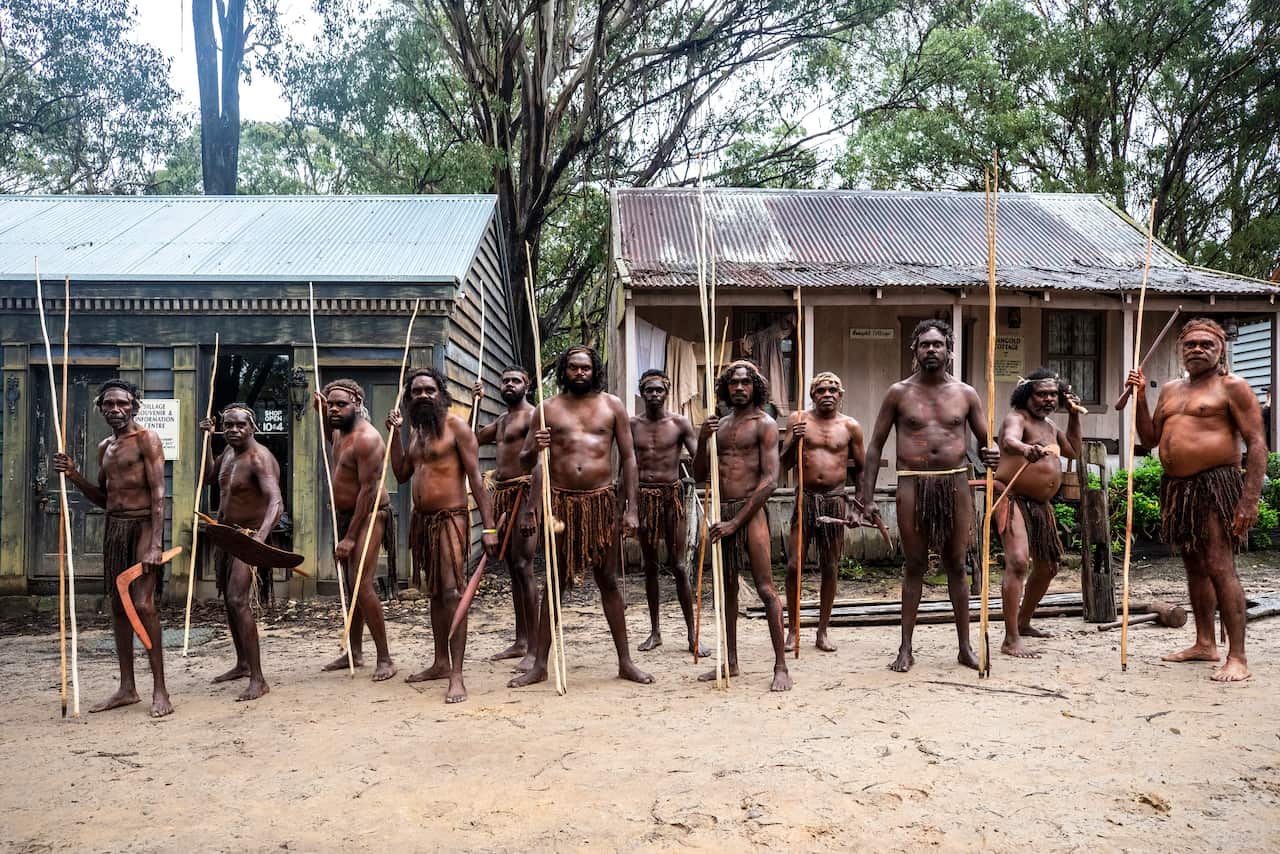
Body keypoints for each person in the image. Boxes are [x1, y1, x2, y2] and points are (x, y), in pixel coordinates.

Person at [1127, 317, 1264, 682]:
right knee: (1194, 566)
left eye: (1207, 344)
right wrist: (1140, 398)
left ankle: (1238, 657)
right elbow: (1150, 437)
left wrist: (1249, 500)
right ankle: (1205, 643)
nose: (1198, 350)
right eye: (1191, 345)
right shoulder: (1171, 389)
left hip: (1216, 484)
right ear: (1180, 350)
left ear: (1221, 350)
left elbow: (1257, 444)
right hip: (1178, 488)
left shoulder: (1232, 387)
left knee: (1220, 565)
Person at [858, 320, 998, 673]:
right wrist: (867, 497)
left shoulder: (966, 394)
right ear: (915, 351)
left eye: (938, 345)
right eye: (925, 345)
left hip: (954, 483)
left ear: (949, 351)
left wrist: (991, 452)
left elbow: (986, 441)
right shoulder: (898, 393)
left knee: (956, 564)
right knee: (915, 564)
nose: (931, 350)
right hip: (912, 482)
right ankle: (905, 648)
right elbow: (873, 448)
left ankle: (965, 647)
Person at [511, 346, 653, 688]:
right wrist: (537, 446)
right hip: (560, 503)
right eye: (573, 367)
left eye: (585, 368)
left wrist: (631, 507)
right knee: (555, 584)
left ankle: (625, 661)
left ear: (594, 370)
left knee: (607, 580)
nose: (579, 373)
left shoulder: (612, 405)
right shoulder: (546, 409)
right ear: (564, 370)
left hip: (601, 502)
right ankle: (540, 665)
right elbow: (525, 461)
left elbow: (630, 459)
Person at [53, 379, 172, 716]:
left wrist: (154, 543)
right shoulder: (105, 447)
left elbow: (159, 494)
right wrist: (75, 476)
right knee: (119, 608)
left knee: (143, 605)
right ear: (101, 408)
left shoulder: (147, 439)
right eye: (109, 404)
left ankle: (160, 690)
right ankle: (127, 688)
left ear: (134, 405)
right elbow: (105, 500)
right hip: (115, 529)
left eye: (122, 403)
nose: (116, 409)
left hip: (143, 527)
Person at [389, 369, 497, 703]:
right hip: (423, 523)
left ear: (442, 394)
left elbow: (477, 481)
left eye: (429, 390)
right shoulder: (417, 431)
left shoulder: (457, 427)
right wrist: (393, 434)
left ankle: (457, 674)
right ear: (409, 397)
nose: (422, 395)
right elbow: (402, 473)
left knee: (452, 592)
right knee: (436, 592)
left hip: (451, 520)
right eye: (416, 391)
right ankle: (439, 662)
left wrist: (489, 527)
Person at [693, 360, 791, 691]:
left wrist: (737, 521)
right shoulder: (718, 426)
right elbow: (699, 475)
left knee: (765, 589)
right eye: (733, 383)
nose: (739, 388)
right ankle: (731, 662)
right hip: (723, 511)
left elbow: (770, 481)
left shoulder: (765, 424)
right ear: (725, 388)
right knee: (727, 591)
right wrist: (702, 440)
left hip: (750, 514)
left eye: (745, 383)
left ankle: (781, 665)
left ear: (755, 387)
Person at [993, 370, 1081, 658]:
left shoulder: (1052, 426)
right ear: (1027, 395)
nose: (1048, 399)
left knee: (1048, 567)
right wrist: (1026, 448)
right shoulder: (1017, 417)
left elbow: (1074, 452)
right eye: (1041, 394)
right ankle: (1010, 638)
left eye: (1053, 394)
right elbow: (1008, 441)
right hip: (1013, 499)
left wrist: (1074, 415)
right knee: (1018, 562)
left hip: (1042, 507)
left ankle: (1024, 621)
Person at [199, 403, 284, 700]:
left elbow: (276, 502)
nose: (234, 430)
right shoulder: (228, 454)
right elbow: (210, 476)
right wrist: (208, 439)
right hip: (228, 536)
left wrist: (258, 540)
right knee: (229, 602)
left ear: (253, 427)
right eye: (228, 425)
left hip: (248, 538)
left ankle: (259, 679)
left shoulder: (259, 459)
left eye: (240, 425)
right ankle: (243, 663)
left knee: (238, 600)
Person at [780, 371, 864, 653]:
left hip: (834, 501)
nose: (827, 395)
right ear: (812, 395)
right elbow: (783, 464)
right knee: (794, 566)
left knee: (830, 566)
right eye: (820, 390)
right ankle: (793, 628)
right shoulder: (798, 420)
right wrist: (794, 440)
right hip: (805, 499)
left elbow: (861, 471)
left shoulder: (851, 426)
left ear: (841, 395)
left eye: (832, 390)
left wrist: (859, 506)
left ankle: (823, 630)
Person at [318, 379, 396, 681]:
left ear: (358, 404)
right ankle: (355, 652)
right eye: (330, 404)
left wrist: (350, 536)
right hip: (347, 514)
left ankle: (385, 658)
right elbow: (331, 440)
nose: (334, 409)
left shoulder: (368, 439)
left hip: (371, 513)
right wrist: (319, 411)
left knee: (361, 583)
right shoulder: (339, 431)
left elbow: (368, 491)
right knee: (351, 587)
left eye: (341, 404)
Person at [629, 369, 703, 654]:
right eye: (649, 390)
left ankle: (691, 634)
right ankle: (655, 631)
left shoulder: (680, 423)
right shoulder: (632, 425)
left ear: (667, 391)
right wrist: (626, 507)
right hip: (644, 498)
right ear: (642, 392)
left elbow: (699, 460)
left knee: (680, 566)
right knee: (649, 567)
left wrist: (708, 438)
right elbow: (626, 464)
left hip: (671, 497)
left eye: (659, 389)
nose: (654, 394)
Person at [473, 367, 539, 669]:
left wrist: (530, 507)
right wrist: (475, 403)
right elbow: (472, 440)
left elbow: (540, 464)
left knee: (525, 567)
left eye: (516, 381)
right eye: (505, 381)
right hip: (502, 495)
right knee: (513, 568)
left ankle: (535, 647)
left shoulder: (533, 416)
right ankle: (520, 640)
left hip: (523, 496)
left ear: (527, 385)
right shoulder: (501, 421)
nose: (509, 385)